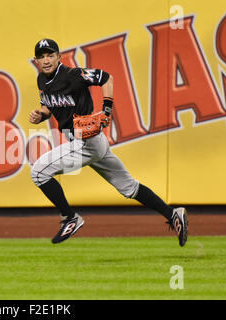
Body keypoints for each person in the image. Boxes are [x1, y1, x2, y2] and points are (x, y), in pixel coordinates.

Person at [29, 38, 188, 246]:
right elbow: (49, 106)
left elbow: (106, 78)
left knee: (39, 172)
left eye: (50, 55)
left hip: (84, 142)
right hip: (94, 143)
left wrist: (106, 109)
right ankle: (173, 214)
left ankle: (70, 218)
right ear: (36, 61)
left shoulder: (73, 75)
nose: (46, 60)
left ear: (59, 57)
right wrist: (41, 115)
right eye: (41, 57)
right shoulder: (42, 80)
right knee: (128, 187)